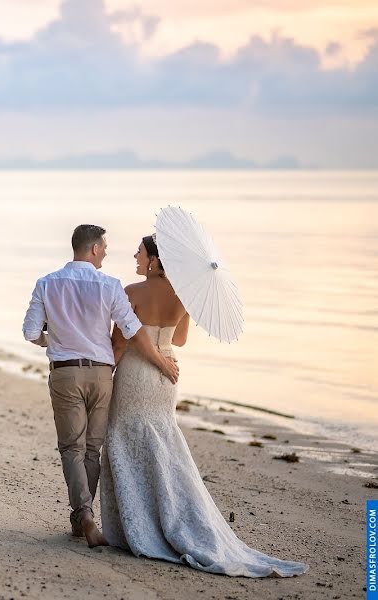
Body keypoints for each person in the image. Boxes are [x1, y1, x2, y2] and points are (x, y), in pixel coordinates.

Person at [99, 234, 308, 577]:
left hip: (136, 374)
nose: (135, 256)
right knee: (163, 444)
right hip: (167, 374)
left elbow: (119, 342)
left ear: (154, 260)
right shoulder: (184, 295)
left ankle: (132, 528)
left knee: (124, 441)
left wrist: (107, 375)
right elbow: (178, 339)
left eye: (140, 252)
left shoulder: (131, 292)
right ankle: (173, 516)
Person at [22, 225, 179, 547]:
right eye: (104, 247)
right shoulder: (110, 286)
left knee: (71, 448)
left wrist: (51, 339)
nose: (106, 252)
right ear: (93, 249)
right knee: (92, 448)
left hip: (65, 373)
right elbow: (133, 329)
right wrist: (162, 361)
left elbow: (30, 332)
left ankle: (83, 515)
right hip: (102, 375)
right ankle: (83, 518)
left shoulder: (46, 283)